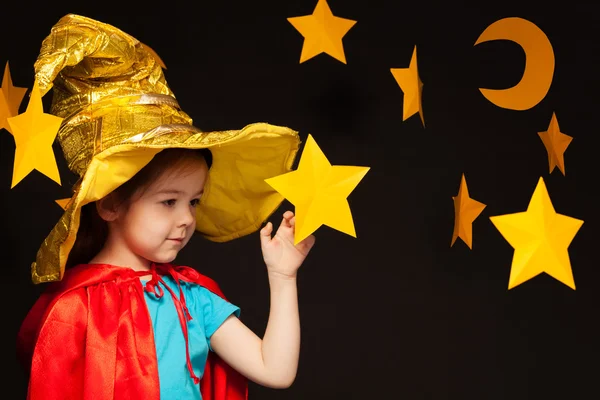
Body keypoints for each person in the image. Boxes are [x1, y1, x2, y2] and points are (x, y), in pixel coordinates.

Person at [16, 14, 315, 400]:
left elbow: (274, 370)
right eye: (168, 201)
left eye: (193, 202)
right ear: (109, 204)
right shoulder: (74, 308)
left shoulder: (192, 298)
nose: (187, 218)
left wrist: (283, 277)